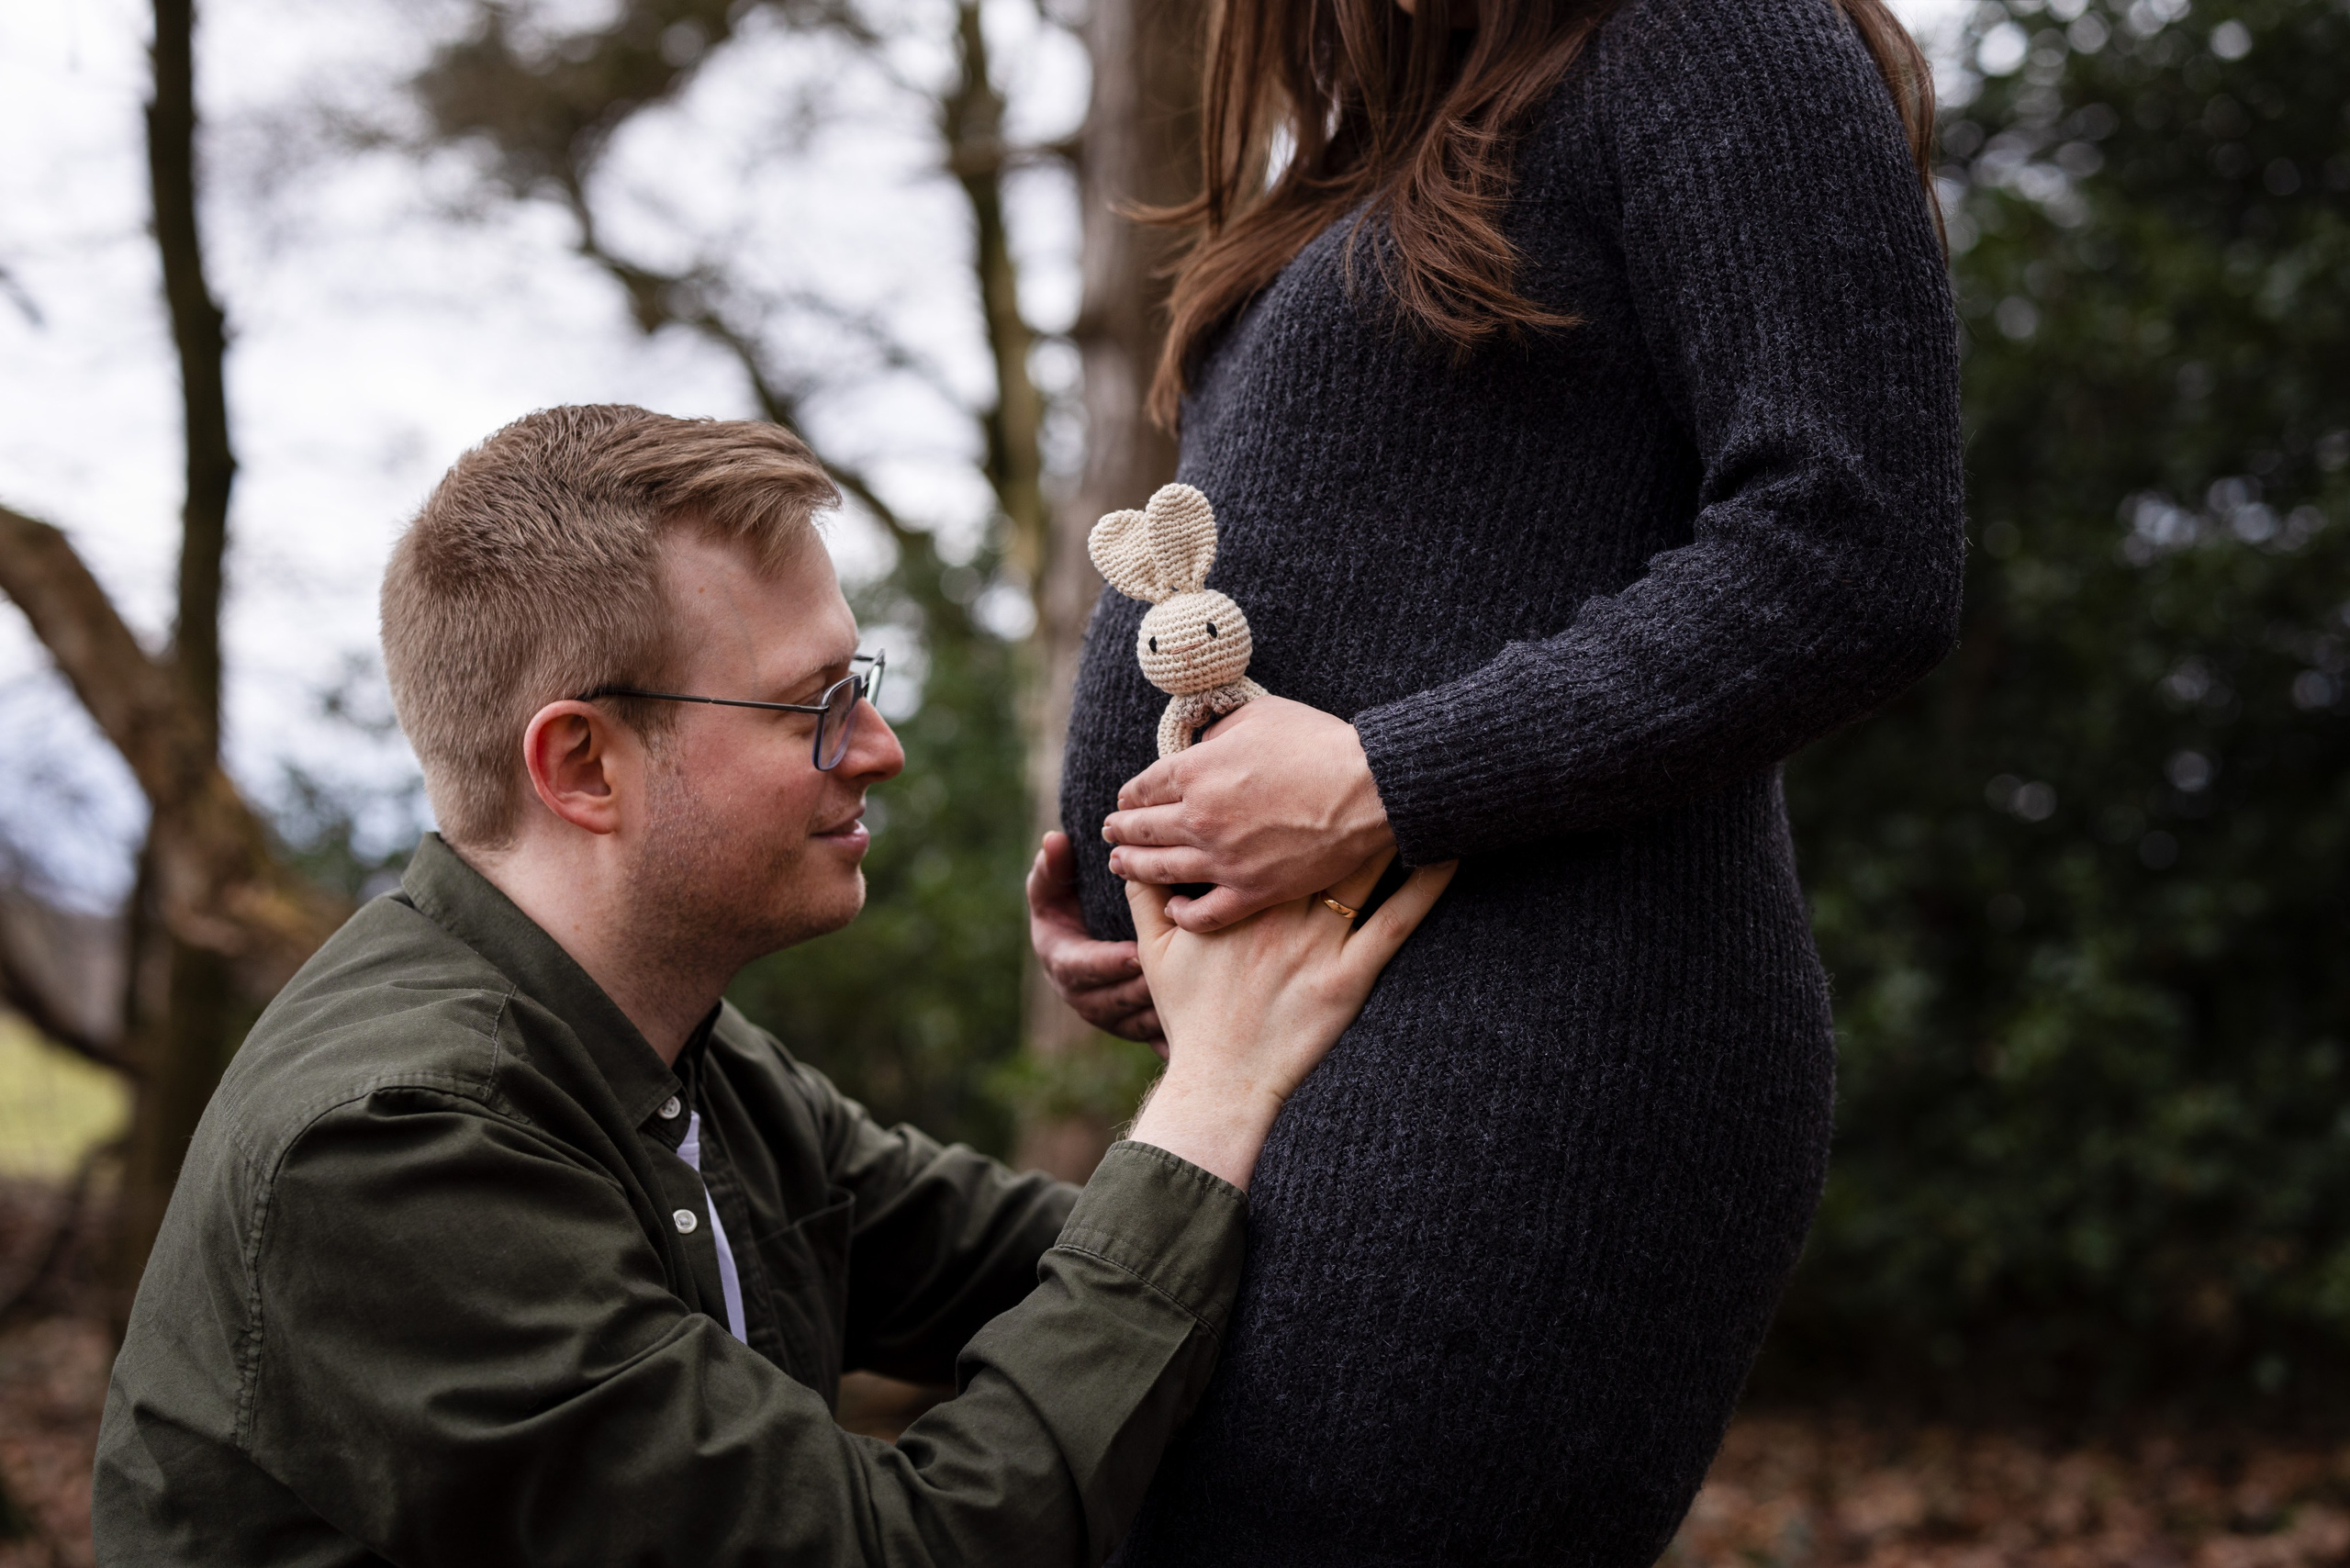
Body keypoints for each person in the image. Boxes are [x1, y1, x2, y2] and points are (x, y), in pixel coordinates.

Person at [91, 405, 1452, 1566]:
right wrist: (1211, 1091)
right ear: (581, 768)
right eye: (815, 702)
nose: (882, 748)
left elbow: (1033, 1261)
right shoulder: (390, 1154)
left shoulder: (664, 1052)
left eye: (858, 682)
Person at [1031, 0, 1964, 1561]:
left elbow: (1855, 546)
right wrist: (1161, 897)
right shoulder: (1354, 162)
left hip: (1534, 1065)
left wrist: (1384, 780)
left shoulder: (1709, 39)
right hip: (1284, 1062)